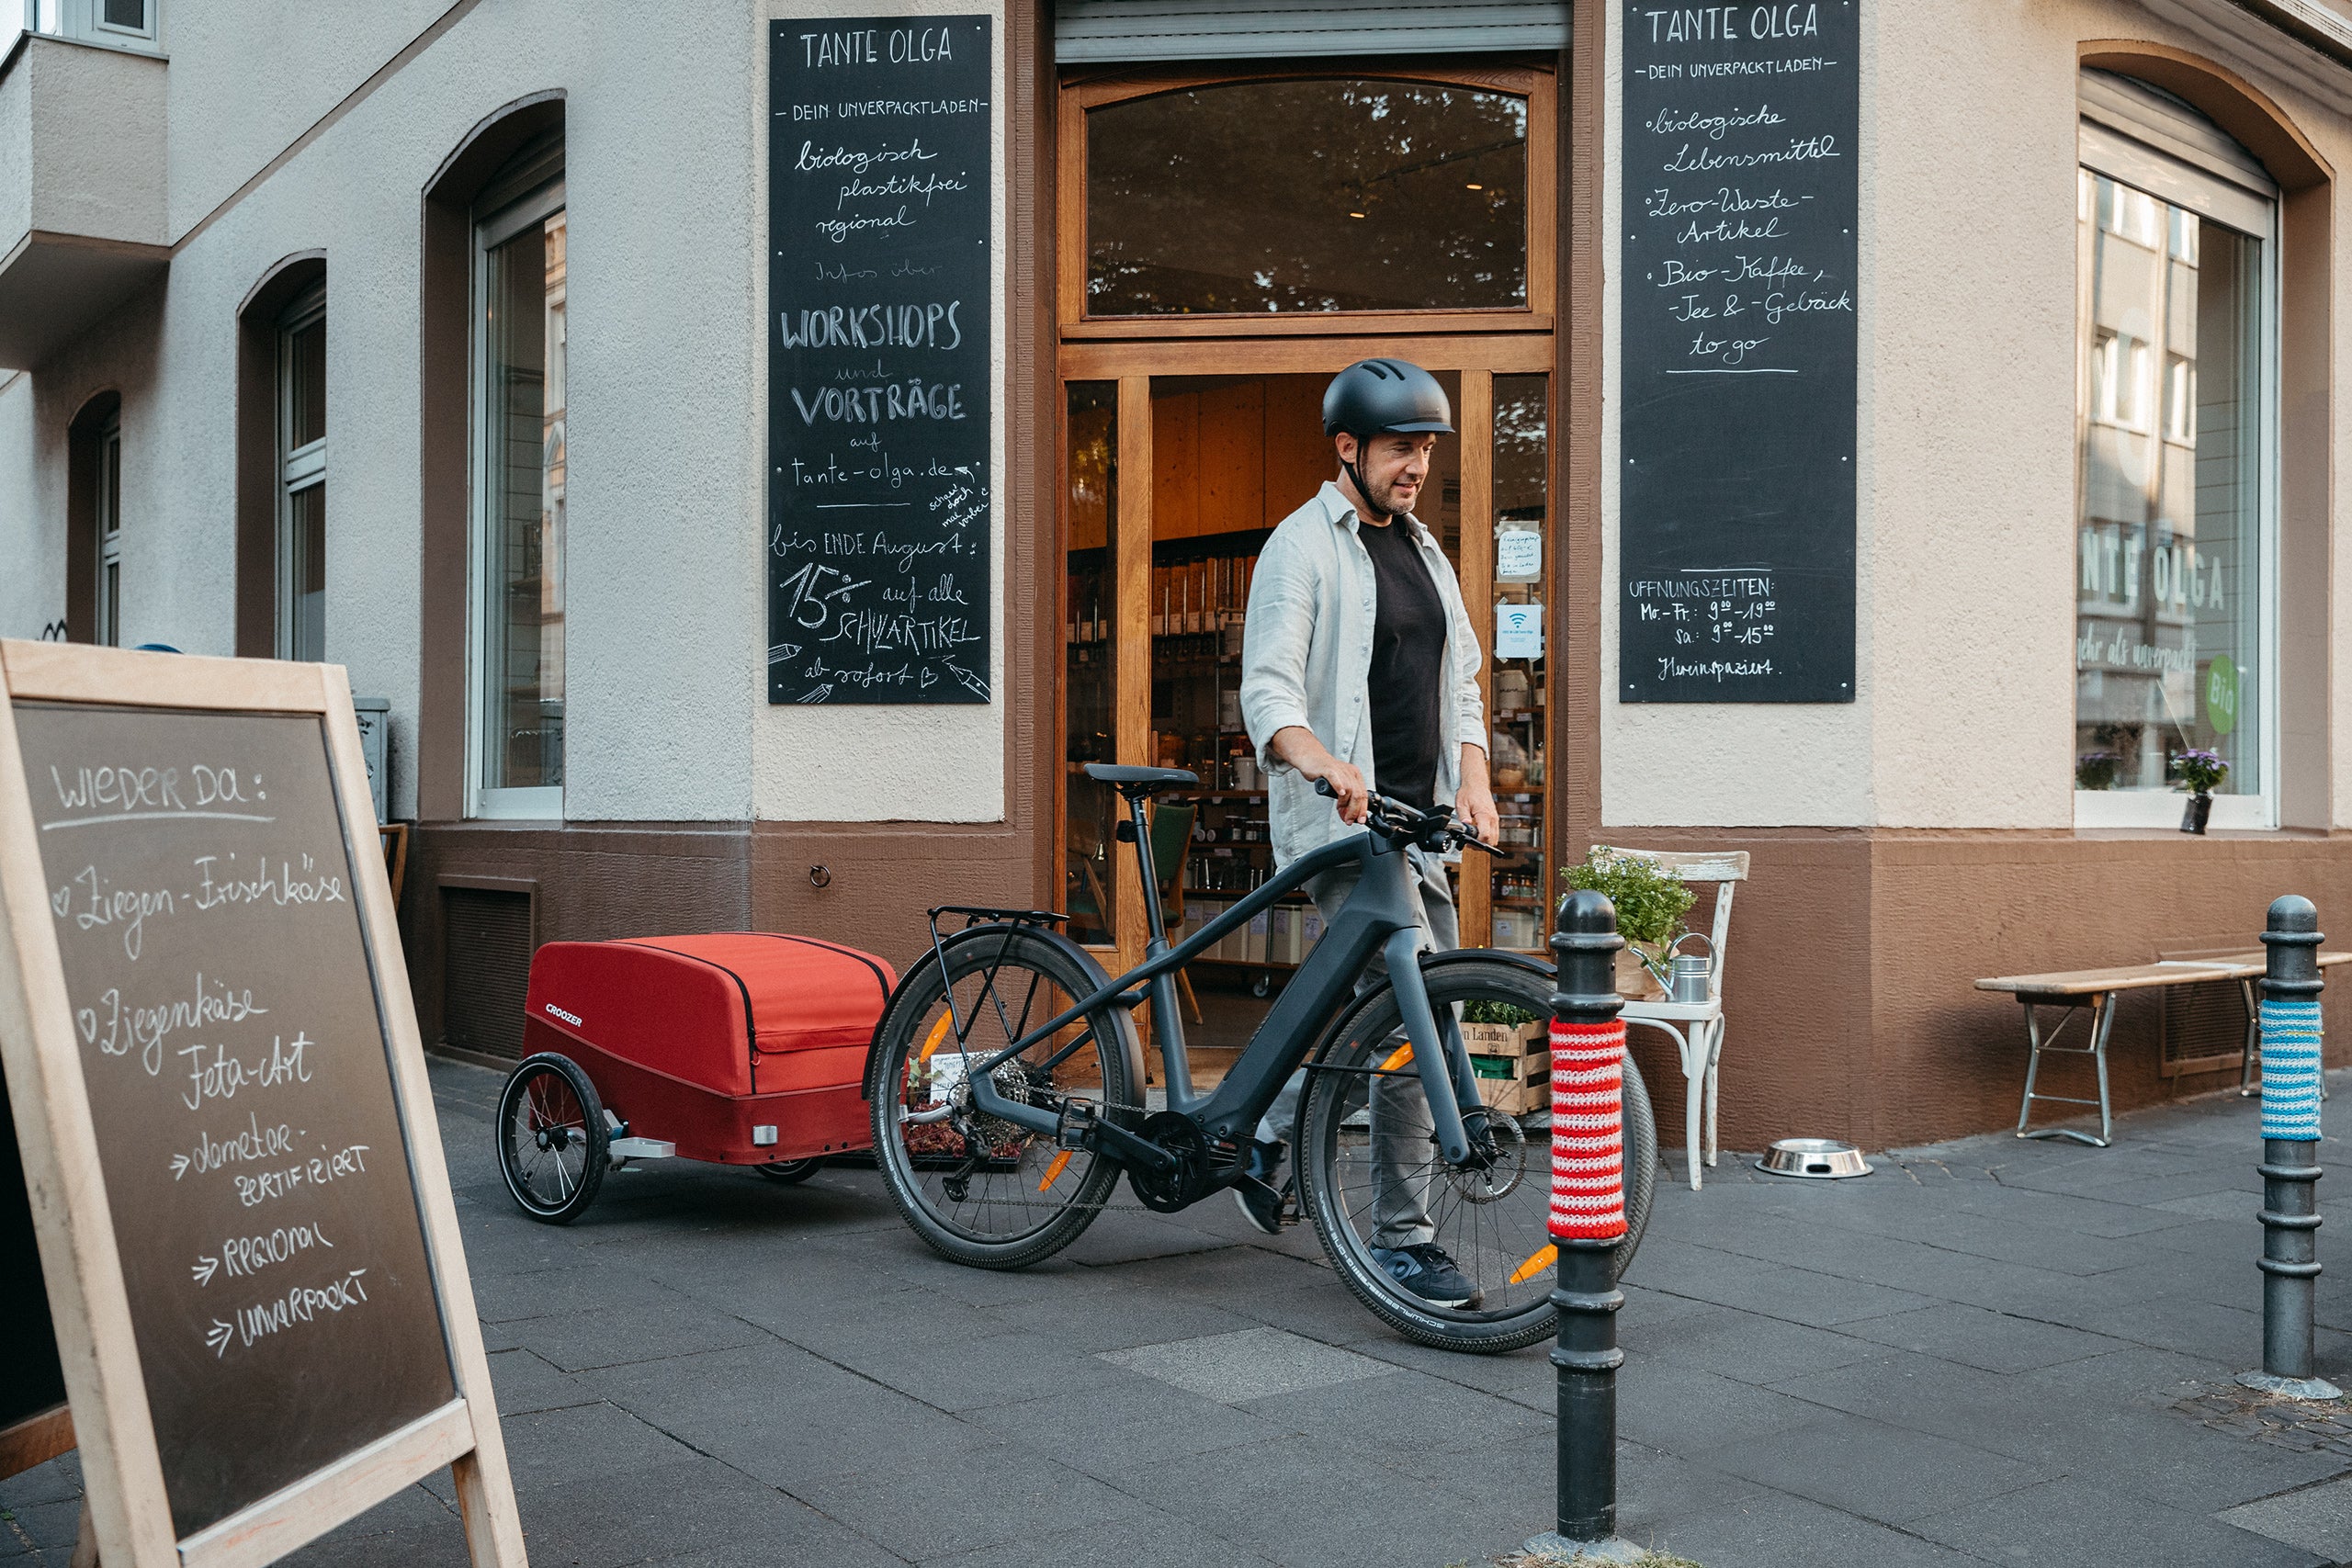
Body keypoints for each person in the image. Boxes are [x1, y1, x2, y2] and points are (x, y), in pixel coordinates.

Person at [1234, 358, 1498, 1307]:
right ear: (1347, 448)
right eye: (1399, 446)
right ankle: (1404, 1240)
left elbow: (1460, 683)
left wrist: (1472, 778)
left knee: (1384, 1016)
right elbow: (1267, 688)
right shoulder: (1299, 548)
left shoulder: (1426, 552)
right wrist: (1320, 760)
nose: (1417, 463)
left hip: (1417, 826)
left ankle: (1264, 1130)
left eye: (1426, 447)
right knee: (1411, 1018)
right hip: (1344, 827)